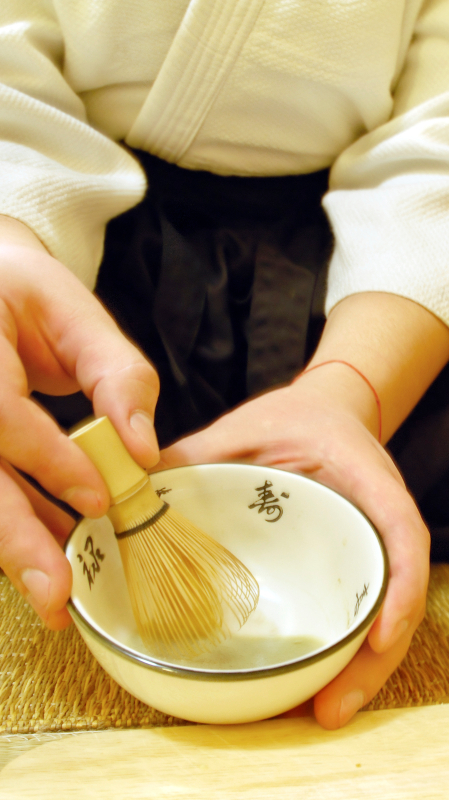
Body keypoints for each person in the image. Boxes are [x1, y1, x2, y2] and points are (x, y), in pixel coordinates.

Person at [1, 0, 449, 731]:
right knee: (44, 482)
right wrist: (11, 253)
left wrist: (353, 390)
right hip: (88, 275)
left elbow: (439, 134)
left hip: (378, 287)